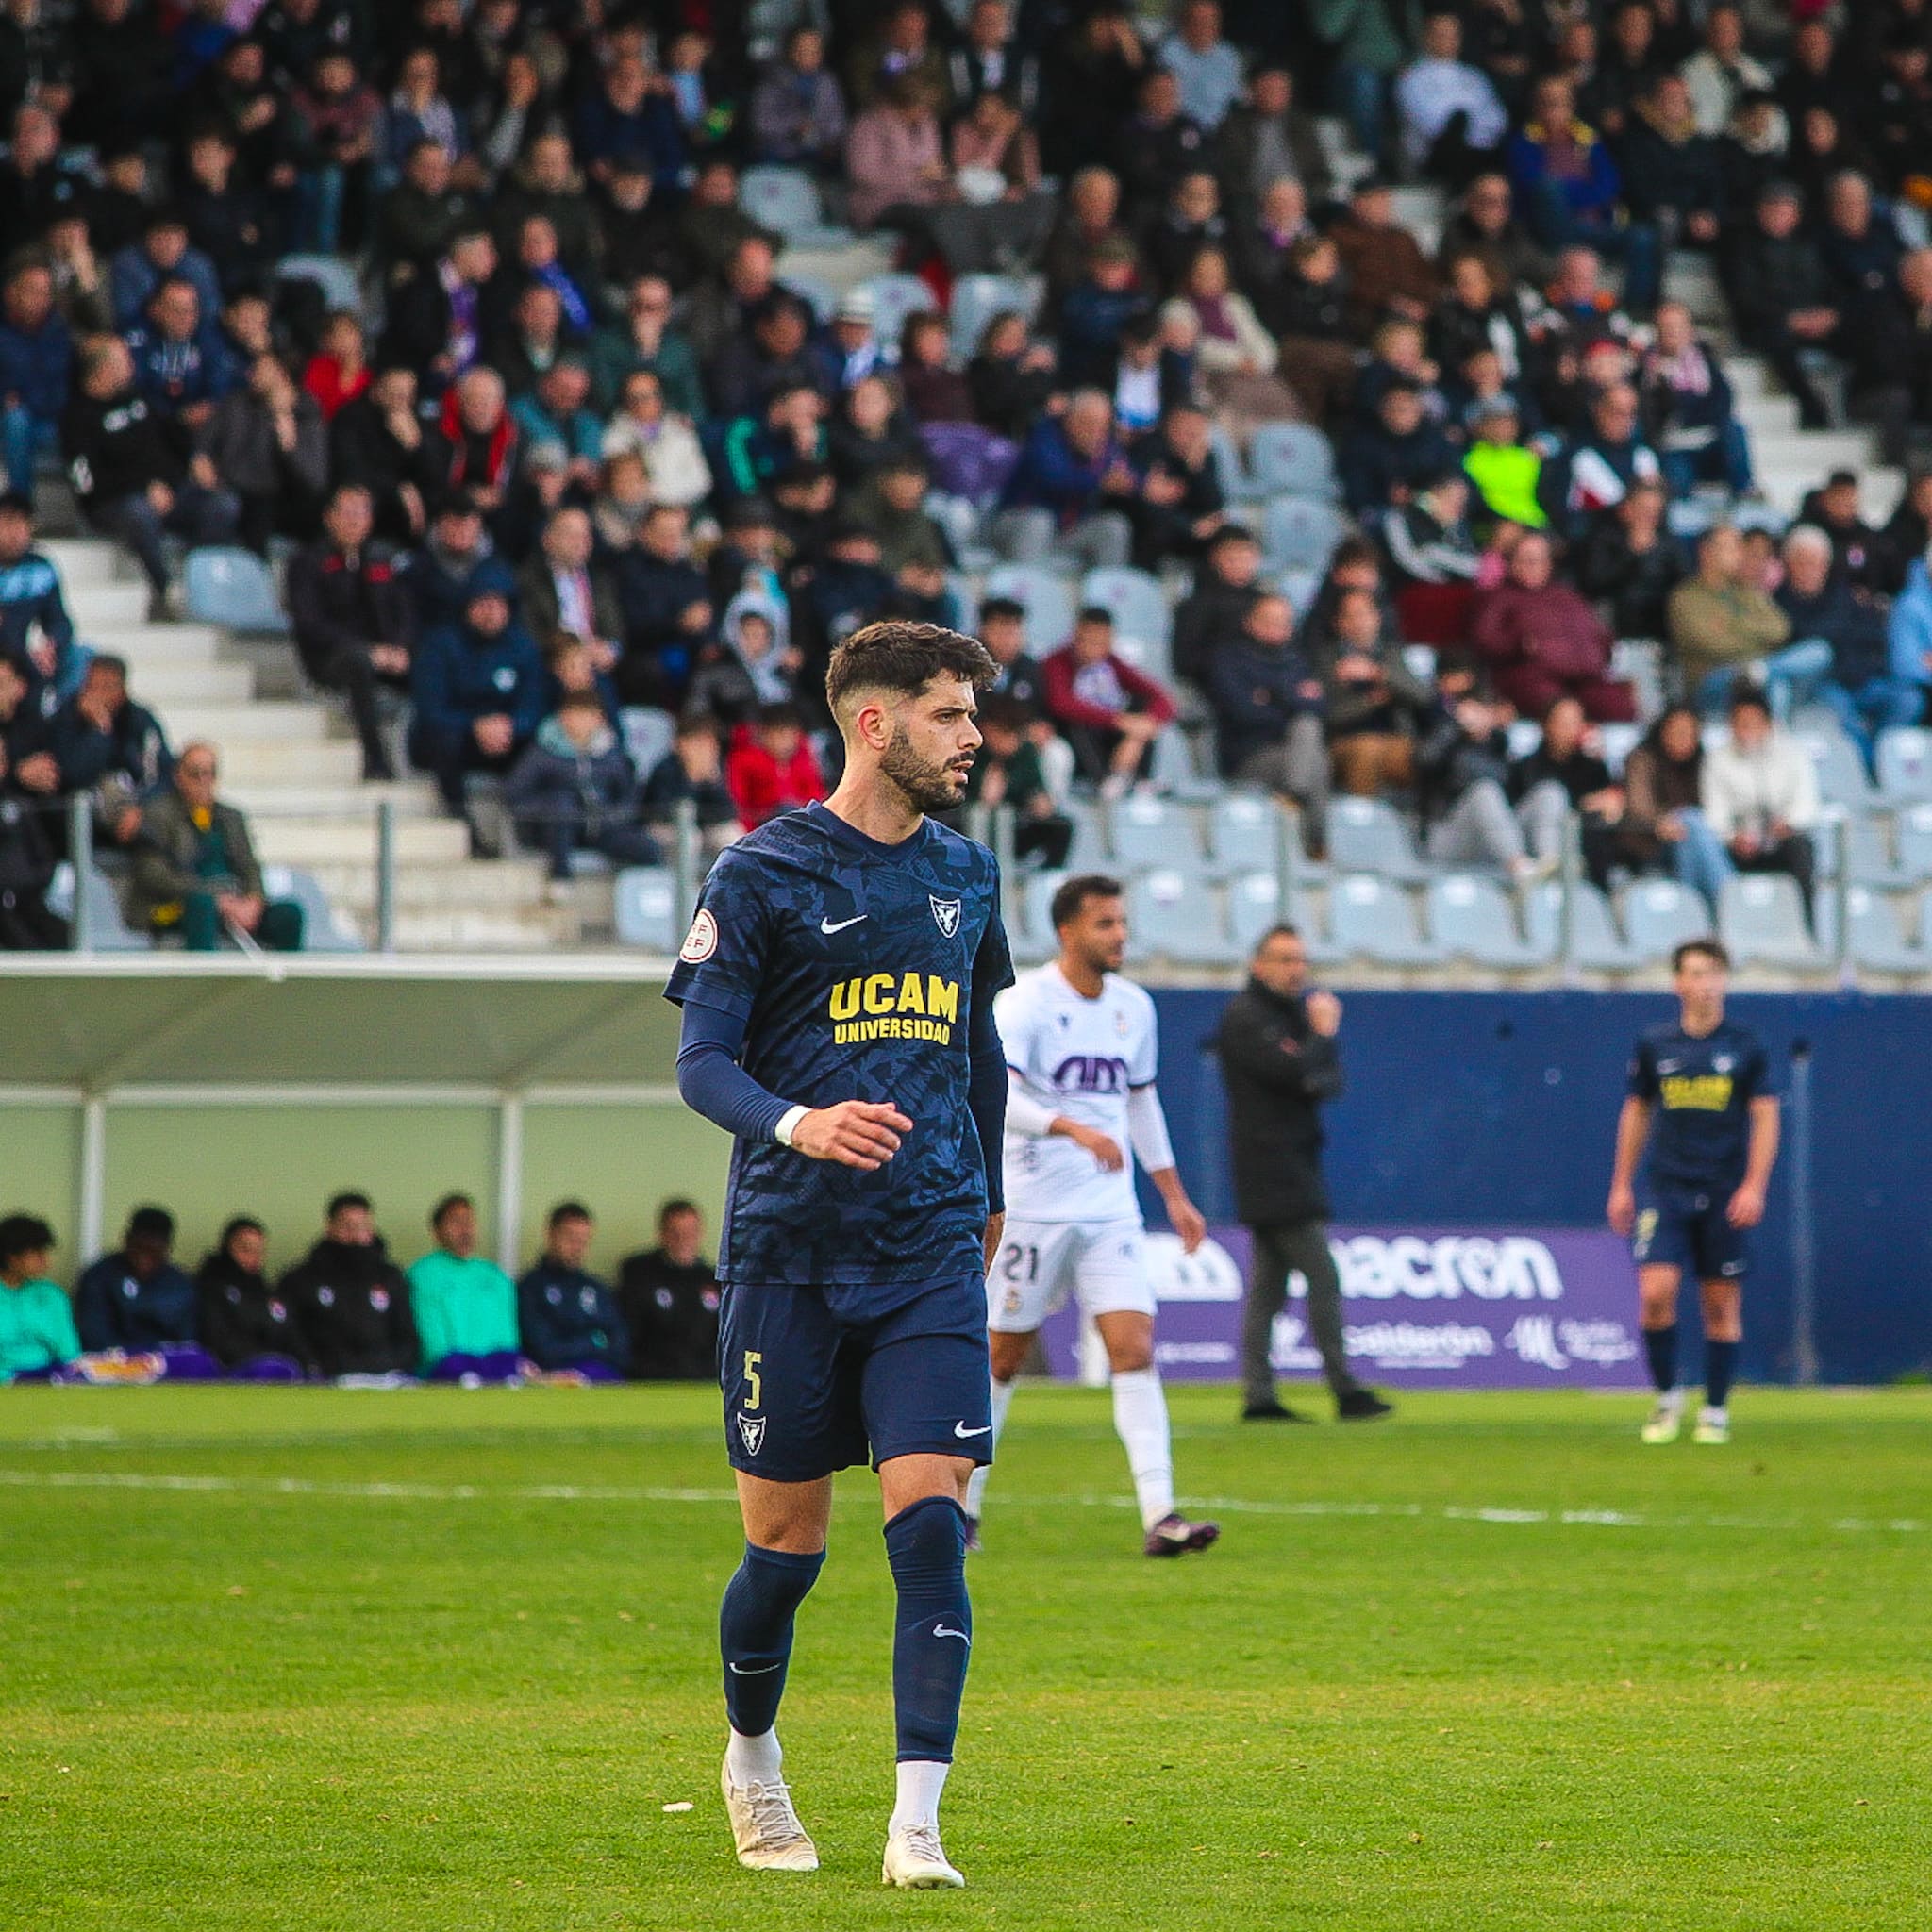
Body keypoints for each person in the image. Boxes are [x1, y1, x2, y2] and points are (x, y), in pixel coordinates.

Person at [664, 618, 1014, 1887]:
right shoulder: (760, 872)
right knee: (786, 1553)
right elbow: (702, 1063)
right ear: (875, 722)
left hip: (927, 1253)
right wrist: (802, 1122)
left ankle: (916, 1824)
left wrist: (984, 1195)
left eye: (973, 715)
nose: (973, 737)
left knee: (930, 1524)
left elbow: (979, 1049)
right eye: (950, 714)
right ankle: (751, 1763)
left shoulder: (968, 877)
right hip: (788, 1260)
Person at [968, 871, 1219, 1557]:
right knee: (1001, 1357)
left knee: (1134, 1351)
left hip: (1111, 1213)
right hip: (1034, 1210)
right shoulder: (1024, 1005)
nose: (1120, 936)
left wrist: (1173, 1194)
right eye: (1105, 924)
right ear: (1068, 931)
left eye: (1123, 923)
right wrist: (1071, 1129)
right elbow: (999, 1100)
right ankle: (964, 1509)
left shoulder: (1134, 1007)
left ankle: (1161, 1514)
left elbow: (1140, 1102)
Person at [1214, 924, 1391, 1424]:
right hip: (1270, 1166)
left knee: (1269, 1286)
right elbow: (1295, 1074)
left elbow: (1326, 1081)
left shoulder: (1289, 1016)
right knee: (1322, 1275)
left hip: (1293, 1160)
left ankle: (1259, 1396)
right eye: (1285, 960)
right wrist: (1323, 1035)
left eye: (1300, 960)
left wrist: (1312, 1057)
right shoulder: (1246, 1016)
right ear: (1259, 965)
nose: (1296, 970)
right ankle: (1344, 1388)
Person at [1607, 939, 1777, 1448]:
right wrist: (1621, 1185)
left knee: (1720, 1304)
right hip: (1667, 1189)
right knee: (1655, 1295)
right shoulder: (1656, 1044)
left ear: (1724, 981)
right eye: (1694, 974)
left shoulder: (1745, 1046)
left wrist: (1754, 1184)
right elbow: (1636, 1112)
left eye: (1712, 974)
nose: (1703, 985)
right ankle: (1667, 1398)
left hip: (1724, 1191)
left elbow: (1765, 1115)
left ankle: (1717, 1409)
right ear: (1677, 982)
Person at [287, 483, 414, 782]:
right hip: (331, 657)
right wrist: (370, 651)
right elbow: (310, 623)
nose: (354, 520)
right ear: (329, 517)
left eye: (362, 512)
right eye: (347, 512)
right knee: (359, 662)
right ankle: (375, 758)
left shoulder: (383, 560)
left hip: (383, 654)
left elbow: (405, 612)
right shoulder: (307, 563)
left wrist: (400, 648)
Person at [125, 741, 305, 951]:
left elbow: (249, 866)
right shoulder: (157, 815)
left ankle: (287, 982)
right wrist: (216, 900)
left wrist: (253, 901)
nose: (203, 781)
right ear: (178, 777)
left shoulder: (232, 817)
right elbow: (153, 873)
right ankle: (202, 980)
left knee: (289, 914)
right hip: (177, 905)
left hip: (232, 902)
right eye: (195, 773)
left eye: (210, 773)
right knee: (201, 905)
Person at [408, 561, 546, 819]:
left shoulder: (523, 647)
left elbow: (534, 704)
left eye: (497, 604)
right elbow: (431, 709)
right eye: (483, 604)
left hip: (506, 737)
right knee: (445, 741)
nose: (490, 612)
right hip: (456, 735)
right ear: (468, 606)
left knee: (544, 743)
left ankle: (527, 824)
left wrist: (512, 725)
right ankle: (459, 820)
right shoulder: (441, 645)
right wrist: (475, 725)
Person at [1668, 524, 1826, 719]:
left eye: (1739, 547)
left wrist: (1731, 626)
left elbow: (1781, 630)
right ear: (1706, 552)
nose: (1739, 554)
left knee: (1819, 651)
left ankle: (1763, 674)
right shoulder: (1686, 597)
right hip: (1714, 680)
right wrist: (1756, 643)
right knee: (1772, 681)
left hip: (1759, 670)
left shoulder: (1747, 590)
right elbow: (1713, 645)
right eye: (1731, 547)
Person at [505, 689, 660, 881]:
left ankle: (651, 899)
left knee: (646, 847)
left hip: (603, 828)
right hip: (556, 832)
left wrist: (612, 816)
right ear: (562, 716)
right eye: (575, 715)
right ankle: (560, 881)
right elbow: (515, 794)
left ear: (599, 719)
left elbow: (629, 795)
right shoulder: (542, 752)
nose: (581, 722)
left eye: (587, 715)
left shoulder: (612, 754)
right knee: (563, 804)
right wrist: (547, 810)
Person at [1700, 688, 1820, 918]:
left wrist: (1788, 824)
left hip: (1781, 841)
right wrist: (1733, 837)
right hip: (1738, 846)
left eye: (1752, 723)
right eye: (1739, 724)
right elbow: (1714, 815)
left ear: (1769, 724)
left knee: (1802, 847)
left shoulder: (1793, 754)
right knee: (1710, 849)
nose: (1746, 732)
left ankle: (1804, 921)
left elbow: (1807, 804)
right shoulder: (1717, 760)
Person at [276, 1191, 418, 1383]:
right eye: (347, 1226)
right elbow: (293, 1334)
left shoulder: (391, 1277)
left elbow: (406, 1335)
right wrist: (316, 1367)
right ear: (330, 1227)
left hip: (387, 1378)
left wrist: (391, 1364)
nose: (355, 1235)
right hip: (327, 1380)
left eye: (361, 1227)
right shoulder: (301, 1279)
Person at [1041, 606, 1177, 795]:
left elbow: (1163, 698)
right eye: (1089, 641)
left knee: (1142, 708)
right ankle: (1102, 781)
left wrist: (1139, 732)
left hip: (1113, 743)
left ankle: (1136, 778)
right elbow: (1061, 704)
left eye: (1101, 642)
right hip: (1079, 746)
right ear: (1076, 636)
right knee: (1075, 721)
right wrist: (1120, 721)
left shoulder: (1112, 663)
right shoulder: (1056, 662)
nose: (1094, 649)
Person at [1619, 705, 1731, 912]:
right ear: (1663, 730)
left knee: (1688, 828)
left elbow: (1717, 807)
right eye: (1677, 732)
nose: (1683, 738)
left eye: (1689, 733)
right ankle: (1728, 901)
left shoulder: (1704, 762)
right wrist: (1660, 822)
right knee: (1688, 821)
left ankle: (1694, 911)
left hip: (1690, 839)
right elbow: (1638, 806)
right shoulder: (1643, 760)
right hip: (1649, 841)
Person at [407, 1193, 524, 1383]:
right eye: (456, 1222)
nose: (465, 1230)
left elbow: (508, 1335)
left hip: (495, 1364)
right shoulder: (423, 1274)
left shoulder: (494, 1275)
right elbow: (433, 1343)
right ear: (436, 1231)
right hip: (447, 1367)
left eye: (469, 1222)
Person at [516, 1201, 627, 1380]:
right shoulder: (530, 1287)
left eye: (584, 1241)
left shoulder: (596, 1289)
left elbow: (620, 1349)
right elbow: (544, 1350)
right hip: (551, 1381)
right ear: (550, 1234)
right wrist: (593, 1341)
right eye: (570, 1238)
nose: (577, 1247)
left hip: (599, 1379)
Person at [618, 1198, 723, 1380]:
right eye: (676, 1233)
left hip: (704, 1379)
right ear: (662, 1233)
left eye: (689, 1233)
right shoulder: (639, 1273)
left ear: (700, 1233)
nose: (683, 1240)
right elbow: (631, 1332)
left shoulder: (714, 1280)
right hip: (651, 1378)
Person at [74, 1204, 198, 1353]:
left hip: (165, 1367)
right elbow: (94, 1335)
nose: (143, 1257)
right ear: (126, 1240)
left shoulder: (179, 1283)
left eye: (153, 1250)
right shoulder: (99, 1276)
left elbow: (187, 1341)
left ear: (167, 1248)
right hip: (111, 1365)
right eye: (138, 1247)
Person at [194, 1216, 309, 1377]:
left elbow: (292, 1337)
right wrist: (262, 1360)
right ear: (227, 1247)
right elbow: (218, 1340)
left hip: (277, 1372)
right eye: (245, 1249)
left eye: (259, 1251)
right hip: (232, 1373)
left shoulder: (268, 1294)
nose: (253, 1257)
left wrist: (309, 1366)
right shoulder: (211, 1289)